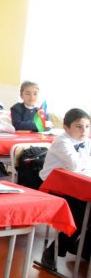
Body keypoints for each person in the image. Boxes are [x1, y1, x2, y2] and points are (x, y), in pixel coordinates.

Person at [39, 108, 91, 269]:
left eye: (87, 126)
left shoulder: (87, 142)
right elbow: (75, 164)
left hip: (77, 185)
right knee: (80, 212)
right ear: (66, 128)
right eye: (79, 126)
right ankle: (54, 251)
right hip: (55, 186)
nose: (84, 131)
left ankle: (83, 247)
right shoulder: (62, 141)